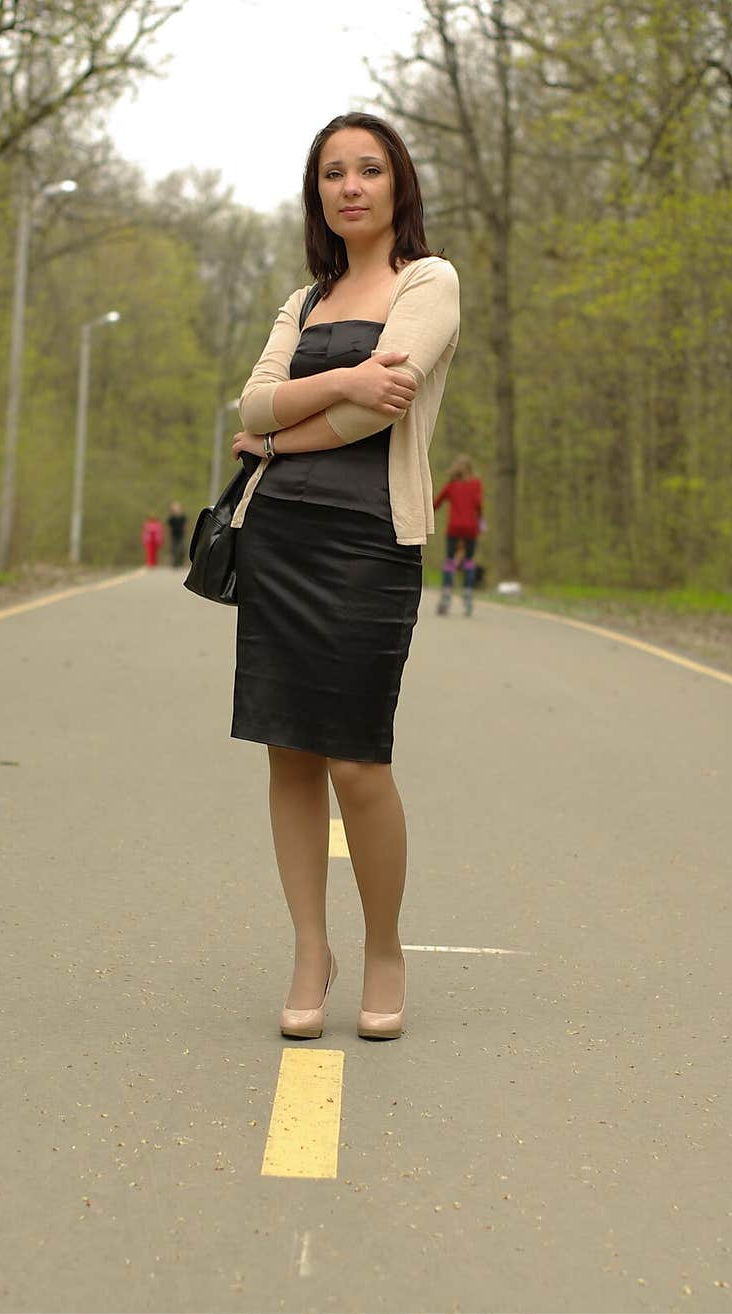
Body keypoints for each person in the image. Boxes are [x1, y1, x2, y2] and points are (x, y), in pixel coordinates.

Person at [228, 112, 460, 1041]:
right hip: (276, 537)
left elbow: (383, 410)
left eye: (369, 169)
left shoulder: (428, 280)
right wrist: (339, 383)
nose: (352, 185)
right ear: (317, 192)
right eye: (334, 173)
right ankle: (308, 951)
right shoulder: (305, 299)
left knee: (359, 760)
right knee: (289, 750)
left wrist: (277, 434)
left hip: (370, 540)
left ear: (397, 183)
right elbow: (248, 401)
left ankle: (387, 947)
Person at [433, 457, 484, 616]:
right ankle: (468, 594)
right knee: (468, 561)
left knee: (449, 561)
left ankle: (446, 595)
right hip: (470, 528)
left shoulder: (451, 486)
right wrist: (481, 520)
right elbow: (478, 505)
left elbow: (437, 503)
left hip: (454, 528)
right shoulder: (476, 484)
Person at [166, 501, 187, 568]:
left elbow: (185, 526)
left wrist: (185, 532)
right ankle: (174, 563)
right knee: (173, 549)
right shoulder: (171, 518)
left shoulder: (183, 517)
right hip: (174, 535)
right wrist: (169, 535)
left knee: (182, 549)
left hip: (181, 535)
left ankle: (181, 562)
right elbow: (169, 527)